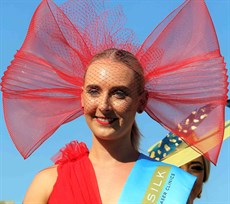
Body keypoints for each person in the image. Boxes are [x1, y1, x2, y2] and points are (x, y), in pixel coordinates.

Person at [1, 0, 228, 203]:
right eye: (94, 91)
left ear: (142, 101)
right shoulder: (47, 184)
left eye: (119, 93)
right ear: (81, 97)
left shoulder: (172, 184)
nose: (104, 106)